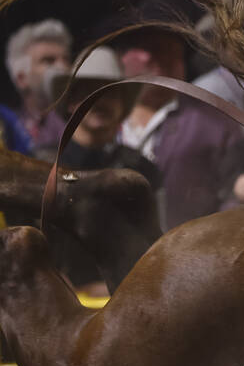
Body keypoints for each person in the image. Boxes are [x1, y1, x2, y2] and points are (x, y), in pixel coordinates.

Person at [40, 45, 160, 295]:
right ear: (71, 102)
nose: (100, 101)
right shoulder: (41, 166)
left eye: (110, 93)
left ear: (123, 104)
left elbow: (160, 242)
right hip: (60, 306)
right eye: (89, 93)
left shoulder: (141, 169)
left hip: (129, 302)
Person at [115, 22, 244, 230]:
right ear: (123, 57)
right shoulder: (101, 117)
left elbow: (235, 191)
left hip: (190, 249)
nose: (164, 60)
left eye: (174, 52)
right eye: (153, 49)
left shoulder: (213, 121)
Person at [5, 18, 72, 160]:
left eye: (66, 59)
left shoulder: (85, 120)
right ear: (21, 78)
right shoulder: (6, 126)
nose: (63, 68)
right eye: (48, 60)